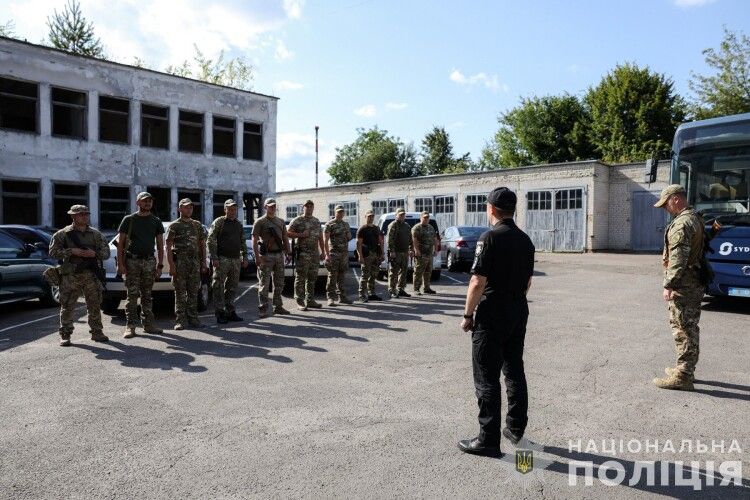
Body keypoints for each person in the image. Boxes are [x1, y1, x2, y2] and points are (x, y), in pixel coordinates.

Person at [457, 187, 535, 457]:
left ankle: (488, 440)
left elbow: (478, 281)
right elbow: (527, 282)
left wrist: (468, 315)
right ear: (513, 210)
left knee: (486, 376)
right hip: (517, 308)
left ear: (491, 208)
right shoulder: (526, 240)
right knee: (514, 368)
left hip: (493, 312)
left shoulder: (489, 237)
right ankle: (515, 428)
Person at [651, 184, 705, 391]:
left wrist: (669, 284)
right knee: (689, 327)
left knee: (683, 328)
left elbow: (678, 258)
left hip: (684, 284)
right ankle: (684, 369)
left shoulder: (682, 224)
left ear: (675, 199)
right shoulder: (695, 218)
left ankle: (683, 376)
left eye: (666, 204)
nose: (665, 208)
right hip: (693, 281)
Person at [48, 205, 110, 346]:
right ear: (73, 216)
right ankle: (65, 335)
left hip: (91, 275)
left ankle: (97, 332)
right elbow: (52, 252)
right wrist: (71, 251)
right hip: (71, 275)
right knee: (68, 305)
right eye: (81, 214)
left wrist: (94, 254)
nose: (84, 216)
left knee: (94, 304)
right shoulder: (63, 234)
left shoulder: (96, 234)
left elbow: (106, 253)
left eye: (86, 214)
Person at [117, 192, 165, 338]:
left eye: (149, 201)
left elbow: (160, 244)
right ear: (138, 203)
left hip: (149, 262)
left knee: (147, 295)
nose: (148, 204)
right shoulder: (129, 220)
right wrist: (120, 264)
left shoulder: (156, 221)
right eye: (144, 201)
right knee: (132, 295)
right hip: (132, 262)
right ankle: (130, 326)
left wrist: (160, 265)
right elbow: (121, 245)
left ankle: (148, 325)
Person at [166, 198, 208, 330]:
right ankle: (180, 320)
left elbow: (202, 245)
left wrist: (204, 263)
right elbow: (168, 246)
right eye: (186, 207)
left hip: (194, 262)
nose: (189, 209)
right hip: (180, 262)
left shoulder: (197, 225)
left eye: (190, 207)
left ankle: (193, 318)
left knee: (194, 291)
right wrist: (171, 265)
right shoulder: (174, 226)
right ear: (179, 209)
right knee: (180, 292)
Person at [208, 199, 249, 324]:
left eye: (234, 209)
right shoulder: (219, 222)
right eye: (230, 209)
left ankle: (230, 311)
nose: (232, 211)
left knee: (232, 287)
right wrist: (214, 257)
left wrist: (245, 257)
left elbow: (242, 242)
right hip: (222, 259)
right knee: (218, 286)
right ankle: (220, 313)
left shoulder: (238, 224)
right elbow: (211, 240)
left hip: (235, 259)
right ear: (225, 210)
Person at [253, 198, 291, 318]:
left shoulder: (280, 221)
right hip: (266, 256)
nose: (272, 208)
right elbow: (254, 240)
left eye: (274, 206)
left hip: (279, 254)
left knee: (279, 283)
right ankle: (263, 308)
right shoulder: (260, 221)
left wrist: (288, 252)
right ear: (265, 207)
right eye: (270, 206)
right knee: (264, 283)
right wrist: (257, 257)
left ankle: (278, 307)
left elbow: (285, 237)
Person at [287, 200, 324, 311]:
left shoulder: (316, 221)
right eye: (306, 206)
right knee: (301, 277)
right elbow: (288, 233)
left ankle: (310, 300)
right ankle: (300, 301)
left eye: (310, 206)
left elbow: (320, 238)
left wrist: (323, 252)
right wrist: (301, 235)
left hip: (314, 253)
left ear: (313, 208)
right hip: (302, 252)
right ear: (303, 208)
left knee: (312, 277)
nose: (308, 208)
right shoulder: (297, 220)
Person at [323, 205, 353, 306]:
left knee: (342, 276)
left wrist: (349, 236)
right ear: (335, 212)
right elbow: (325, 241)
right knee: (332, 276)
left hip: (344, 254)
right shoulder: (329, 224)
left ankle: (342, 297)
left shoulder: (346, 224)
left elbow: (349, 237)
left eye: (342, 212)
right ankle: (330, 297)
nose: (340, 214)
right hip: (333, 253)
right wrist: (327, 255)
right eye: (338, 212)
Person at [356, 209, 384, 302]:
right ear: (365, 217)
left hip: (376, 254)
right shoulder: (362, 229)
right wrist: (360, 256)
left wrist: (382, 253)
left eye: (372, 216)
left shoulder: (376, 228)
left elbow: (380, 241)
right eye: (369, 216)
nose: (371, 218)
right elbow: (359, 244)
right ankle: (362, 295)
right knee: (365, 276)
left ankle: (372, 294)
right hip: (366, 255)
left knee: (373, 275)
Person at [386, 207, 413, 298]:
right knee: (394, 272)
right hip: (396, 253)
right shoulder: (393, 225)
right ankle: (392, 290)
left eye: (403, 215)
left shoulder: (407, 226)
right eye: (400, 214)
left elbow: (410, 239)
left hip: (404, 253)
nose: (402, 216)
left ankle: (401, 289)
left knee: (404, 272)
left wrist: (410, 249)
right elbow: (390, 239)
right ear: (396, 215)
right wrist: (392, 251)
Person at [411, 211, 439, 295]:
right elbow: (414, 240)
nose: (426, 219)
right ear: (421, 218)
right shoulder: (417, 228)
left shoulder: (431, 227)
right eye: (424, 218)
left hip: (429, 253)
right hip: (421, 253)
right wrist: (416, 250)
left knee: (428, 271)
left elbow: (435, 239)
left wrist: (436, 249)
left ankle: (426, 288)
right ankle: (416, 289)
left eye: (427, 218)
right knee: (418, 271)